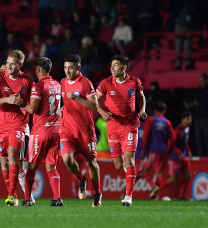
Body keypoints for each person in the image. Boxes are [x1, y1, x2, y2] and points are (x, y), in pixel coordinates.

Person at [96, 54, 147, 206]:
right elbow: (94, 100)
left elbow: (141, 96)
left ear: (124, 67)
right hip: (113, 127)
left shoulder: (134, 82)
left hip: (130, 126)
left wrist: (142, 109)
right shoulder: (106, 83)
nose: (111, 68)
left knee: (129, 159)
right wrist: (102, 112)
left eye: (115, 65)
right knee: (119, 165)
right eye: (111, 65)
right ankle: (130, 173)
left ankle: (128, 197)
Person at [0, 50, 33, 206]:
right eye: (8, 63)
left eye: (13, 64)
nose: (9, 66)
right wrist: (8, 99)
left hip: (18, 123)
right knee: (3, 160)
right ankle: (14, 195)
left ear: (20, 64)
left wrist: (23, 104)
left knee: (13, 156)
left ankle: (12, 195)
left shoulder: (27, 81)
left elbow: (33, 105)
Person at [60, 54, 102, 207]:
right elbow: (68, 102)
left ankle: (97, 194)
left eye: (71, 67)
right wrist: (62, 108)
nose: (67, 71)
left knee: (91, 163)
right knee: (67, 159)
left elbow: (94, 106)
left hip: (85, 131)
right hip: (67, 129)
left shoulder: (86, 83)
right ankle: (81, 180)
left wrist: (77, 98)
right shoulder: (63, 82)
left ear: (78, 67)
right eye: (65, 67)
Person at [21, 57, 63, 206]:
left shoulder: (38, 86)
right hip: (57, 130)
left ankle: (27, 199)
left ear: (38, 70)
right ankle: (57, 198)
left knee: (32, 165)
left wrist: (20, 105)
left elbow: (32, 109)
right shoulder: (57, 84)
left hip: (41, 131)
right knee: (51, 166)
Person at [140, 101, 176, 200]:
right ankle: (157, 195)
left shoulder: (151, 120)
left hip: (153, 151)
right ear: (164, 111)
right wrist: (170, 149)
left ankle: (154, 187)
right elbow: (173, 137)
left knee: (144, 171)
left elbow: (146, 136)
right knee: (159, 173)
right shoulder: (167, 122)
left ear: (155, 110)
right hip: (164, 151)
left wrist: (143, 150)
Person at [160, 111, 193, 200]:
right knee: (172, 179)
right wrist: (178, 153)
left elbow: (184, 143)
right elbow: (171, 144)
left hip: (183, 156)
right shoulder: (178, 130)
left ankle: (181, 196)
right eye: (188, 119)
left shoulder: (187, 129)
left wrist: (188, 151)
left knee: (188, 176)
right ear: (183, 120)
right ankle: (156, 191)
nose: (190, 121)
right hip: (176, 157)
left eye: (190, 119)